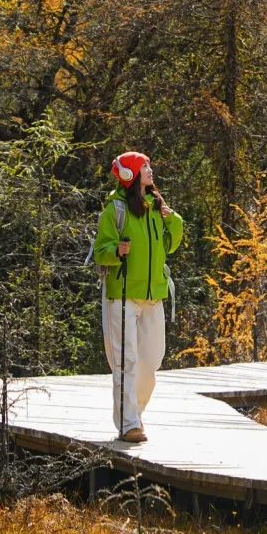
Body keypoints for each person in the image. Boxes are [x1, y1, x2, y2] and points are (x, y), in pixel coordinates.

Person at [94, 151, 184, 442]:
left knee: (151, 361)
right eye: (144, 166)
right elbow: (100, 252)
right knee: (126, 361)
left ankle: (135, 413)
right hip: (122, 295)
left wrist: (172, 219)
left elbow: (170, 246)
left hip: (154, 295)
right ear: (131, 174)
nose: (150, 170)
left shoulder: (157, 208)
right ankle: (128, 423)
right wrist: (115, 251)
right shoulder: (116, 210)